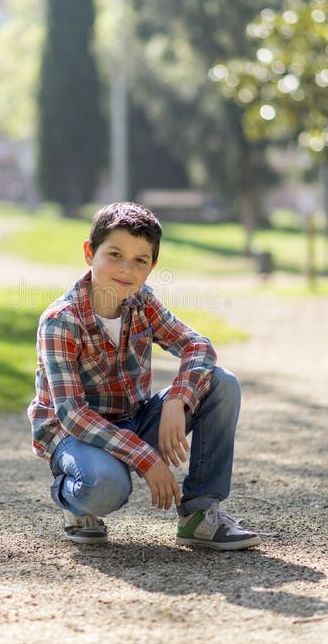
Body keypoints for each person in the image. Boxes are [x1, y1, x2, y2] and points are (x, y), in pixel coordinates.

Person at [27, 202, 260, 551]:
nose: (126, 269)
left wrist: (179, 398)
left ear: (151, 268)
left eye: (140, 260)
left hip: (133, 418)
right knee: (106, 488)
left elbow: (197, 346)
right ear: (90, 253)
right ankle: (73, 500)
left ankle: (199, 515)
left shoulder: (142, 301)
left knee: (221, 384)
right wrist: (147, 459)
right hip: (74, 434)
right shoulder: (62, 320)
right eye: (115, 254)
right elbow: (72, 413)